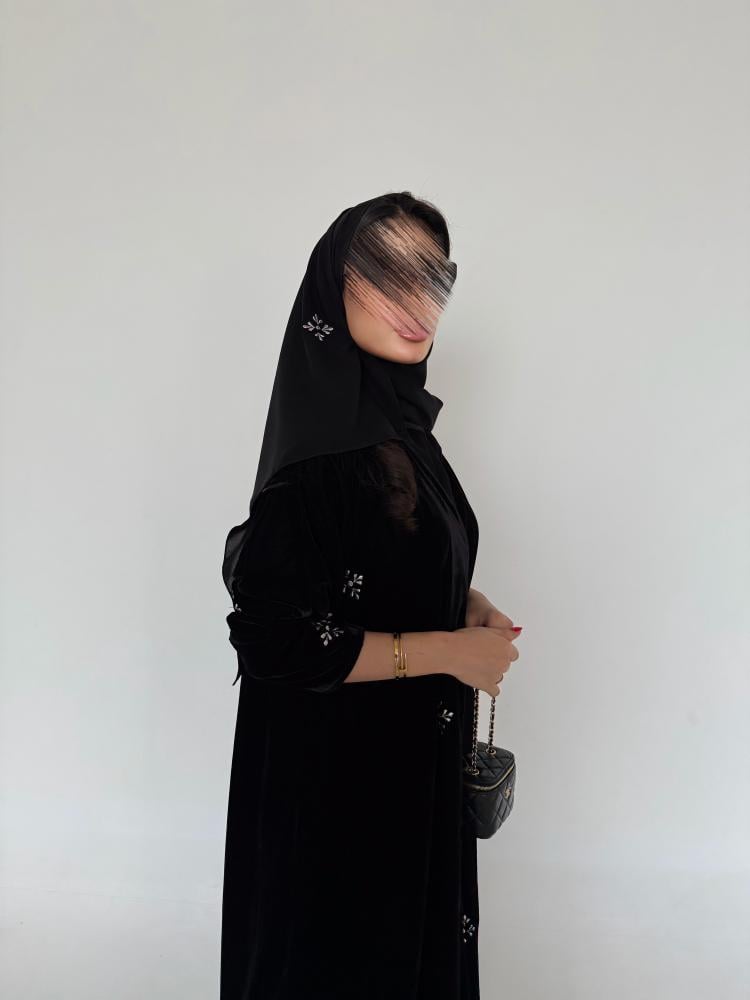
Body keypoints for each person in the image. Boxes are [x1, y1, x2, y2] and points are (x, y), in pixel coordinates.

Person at [219, 190, 521, 1000]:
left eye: (435, 278)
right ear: (333, 284)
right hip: (337, 798)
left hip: (404, 777)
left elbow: (381, 559)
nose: (418, 300)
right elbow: (277, 638)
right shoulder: (319, 458)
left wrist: (461, 600)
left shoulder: (401, 434)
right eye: (389, 273)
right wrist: (452, 652)